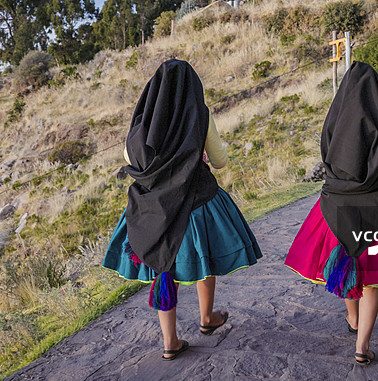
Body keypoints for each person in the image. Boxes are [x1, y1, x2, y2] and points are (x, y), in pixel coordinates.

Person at [103, 59, 262, 360]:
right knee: (206, 259)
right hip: (196, 204)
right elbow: (220, 161)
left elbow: (130, 156)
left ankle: (170, 341)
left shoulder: (142, 121)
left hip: (152, 210)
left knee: (165, 269)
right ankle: (207, 318)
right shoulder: (200, 116)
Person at [284, 61, 378, 365]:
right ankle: (362, 345)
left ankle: (352, 317)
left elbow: (327, 156)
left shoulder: (337, 117)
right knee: (372, 281)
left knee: (346, 255)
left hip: (337, 205)